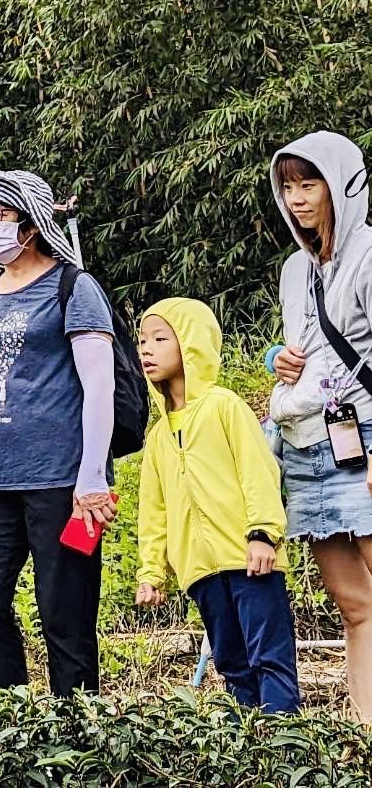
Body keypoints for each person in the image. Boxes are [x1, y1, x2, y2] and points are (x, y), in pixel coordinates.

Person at [0, 168, 117, 696]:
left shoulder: (74, 286)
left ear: (32, 222)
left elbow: (99, 387)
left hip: (63, 483)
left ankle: (77, 729)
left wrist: (92, 478)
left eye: (1, 215)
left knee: (65, 611)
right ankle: (13, 709)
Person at [135, 298, 300, 713]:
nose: (146, 349)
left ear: (190, 344)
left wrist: (262, 533)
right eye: (141, 341)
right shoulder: (157, 437)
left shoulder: (224, 406)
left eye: (159, 338)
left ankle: (287, 746)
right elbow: (154, 511)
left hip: (250, 558)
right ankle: (248, 756)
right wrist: (152, 570)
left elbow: (258, 471)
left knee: (269, 659)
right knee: (231, 664)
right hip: (200, 571)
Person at [263, 130, 372, 720]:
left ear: (343, 186)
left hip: (364, 436)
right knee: (353, 603)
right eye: (288, 186)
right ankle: (365, 732)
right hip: (307, 441)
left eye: (310, 183)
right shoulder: (293, 270)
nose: (297, 198)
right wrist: (277, 360)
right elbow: (302, 350)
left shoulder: (371, 257)